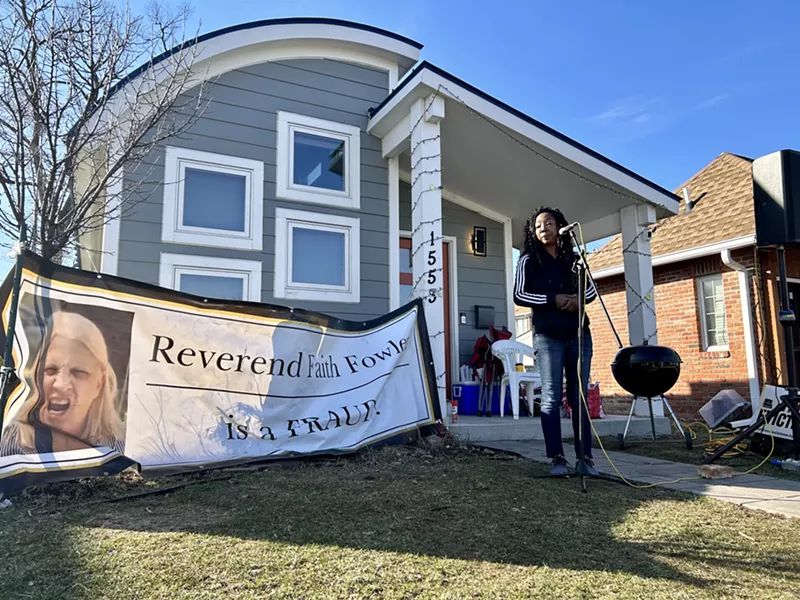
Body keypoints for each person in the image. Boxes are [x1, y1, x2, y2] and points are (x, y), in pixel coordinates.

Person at [513, 206, 598, 475]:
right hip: (548, 337)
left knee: (579, 397)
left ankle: (585, 459)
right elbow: (519, 296)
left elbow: (592, 291)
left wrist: (577, 300)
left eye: (549, 223)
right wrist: (553, 299)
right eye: (537, 226)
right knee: (551, 399)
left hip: (578, 335)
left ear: (560, 226)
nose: (543, 228)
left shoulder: (575, 259)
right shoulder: (528, 261)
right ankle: (557, 458)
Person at [0, 310, 125, 457]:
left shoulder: (122, 452)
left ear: (100, 384)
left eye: (78, 372)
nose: (60, 385)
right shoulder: (7, 441)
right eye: (50, 369)